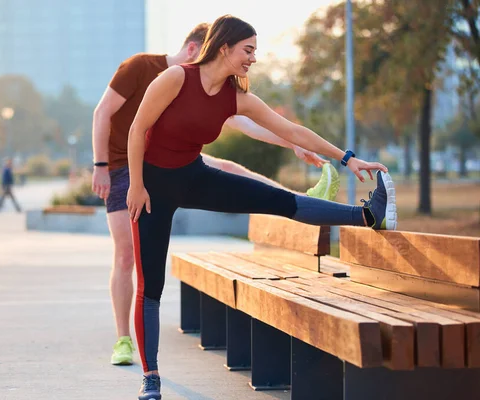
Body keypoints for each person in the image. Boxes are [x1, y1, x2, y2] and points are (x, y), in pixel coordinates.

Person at [126, 15, 397, 400]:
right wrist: (135, 185)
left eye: (255, 51)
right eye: (248, 50)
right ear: (224, 47)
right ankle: (150, 377)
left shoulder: (237, 98)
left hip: (194, 176)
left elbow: (292, 131)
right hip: (151, 188)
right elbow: (138, 129)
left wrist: (347, 158)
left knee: (277, 200)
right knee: (150, 284)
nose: (253, 58)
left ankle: (368, 216)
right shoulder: (176, 78)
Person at [92, 23, 340, 367]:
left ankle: (301, 200)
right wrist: (100, 165)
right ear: (199, 48)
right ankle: (123, 338)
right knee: (126, 255)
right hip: (124, 167)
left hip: (177, 161)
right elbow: (104, 112)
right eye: (244, 51)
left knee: (229, 169)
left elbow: (246, 121)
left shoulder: (212, 85)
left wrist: (294, 143)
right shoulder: (146, 69)